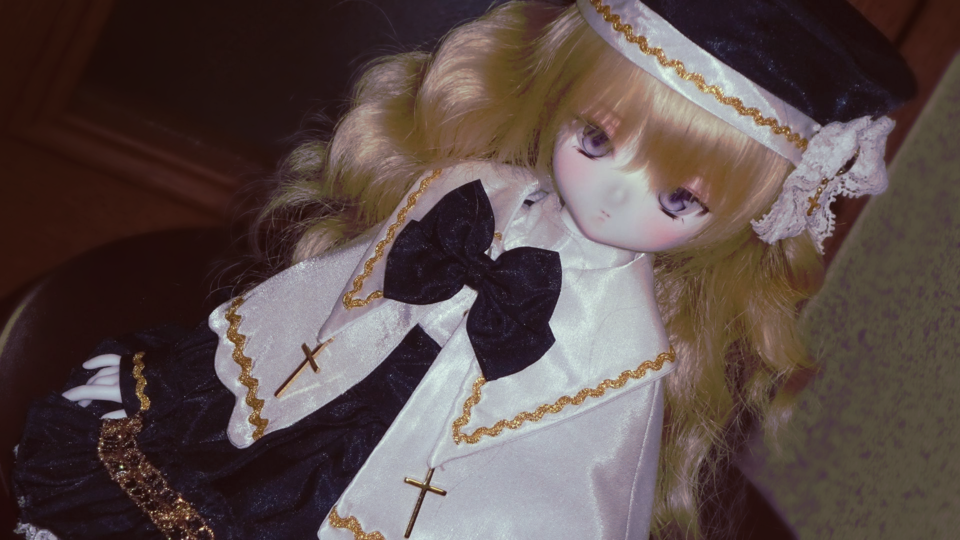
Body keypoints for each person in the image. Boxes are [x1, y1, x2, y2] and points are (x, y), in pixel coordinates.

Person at [12, 0, 913, 539]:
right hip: (317, 425)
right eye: (596, 139)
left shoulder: (626, 343)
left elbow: (579, 486)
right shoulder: (473, 195)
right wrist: (240, 374)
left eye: (679, 198)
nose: (610, 199)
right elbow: (339, 297)